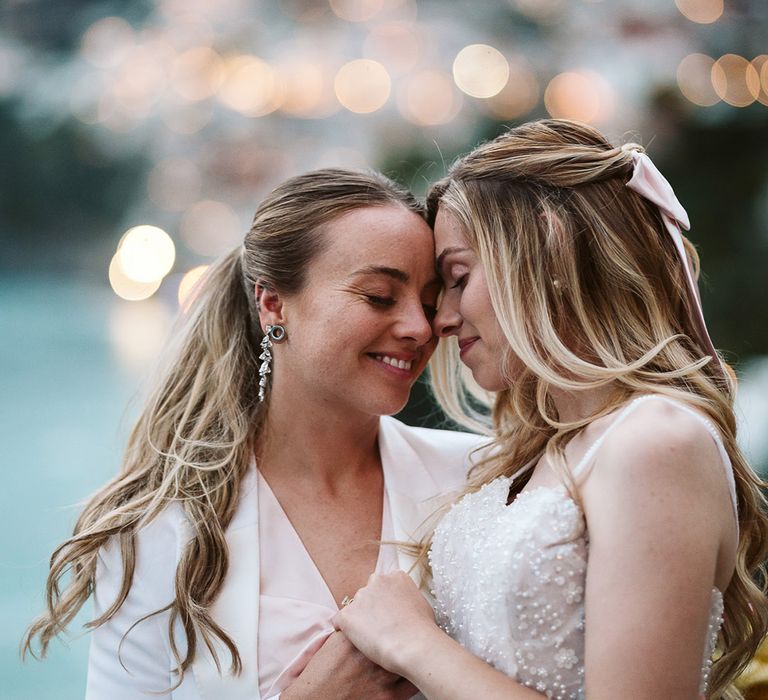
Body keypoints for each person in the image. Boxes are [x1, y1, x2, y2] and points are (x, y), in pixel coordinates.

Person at [333, 120, 768, 699]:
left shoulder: (656, 439)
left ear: (550, 247)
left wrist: (414, 645)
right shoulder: (542, 452)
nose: (441, 319)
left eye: (459, 278)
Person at [23, 168, 486, 699]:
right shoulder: (156, 528)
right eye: (380, 297)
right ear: (273, 304)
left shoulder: (480, 481)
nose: (421, 328)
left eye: (429, 304)